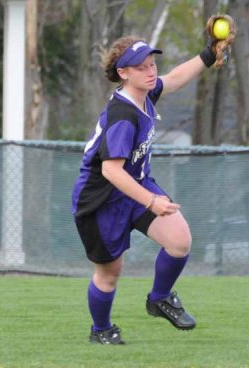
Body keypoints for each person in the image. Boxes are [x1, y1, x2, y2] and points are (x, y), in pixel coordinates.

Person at [71, 28, 230, 344]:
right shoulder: (123, 115)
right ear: (123, 73)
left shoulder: (144, 93)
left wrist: (209, 53)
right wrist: (151, 201)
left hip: (136, 186)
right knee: (109, 272)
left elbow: (174, 78)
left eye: (151, 64)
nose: (150, 71)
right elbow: (112, 171)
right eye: (140, 67)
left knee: (179, 240)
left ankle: (159, 298)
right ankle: (101, 330)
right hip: (100, 200)